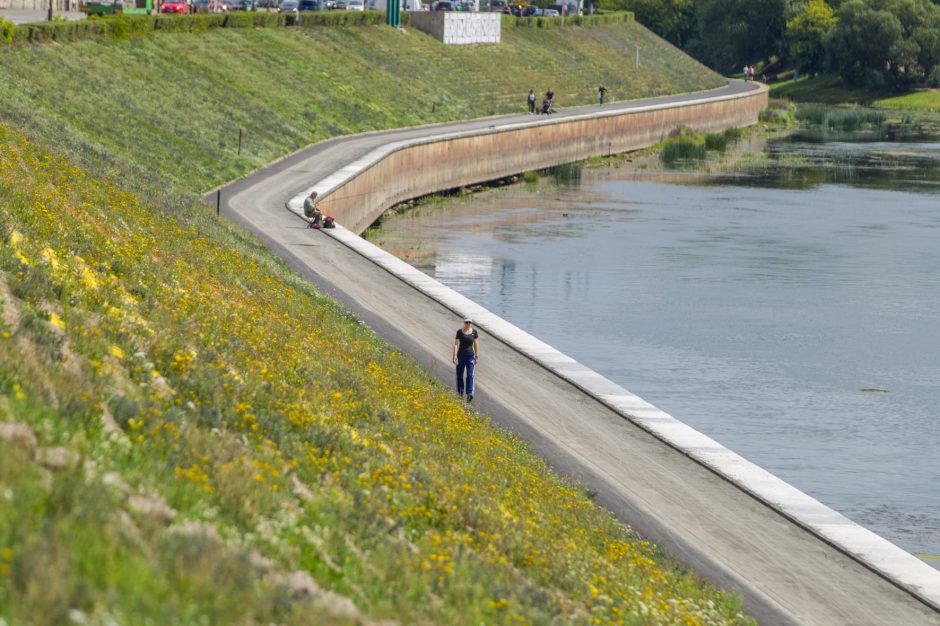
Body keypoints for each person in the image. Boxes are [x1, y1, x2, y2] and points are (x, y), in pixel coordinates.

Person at [452, 316, 478, 401]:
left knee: (470, 375)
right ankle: (460, 392)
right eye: (466, 322)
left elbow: (475, 344)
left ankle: (470, 393)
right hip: (460, 356)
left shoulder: (474, 332)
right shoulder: (459, 332)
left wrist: (476, 356)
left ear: (471, 323)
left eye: (469, 322)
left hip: (470, 356)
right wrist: (455, 355)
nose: (468, 324)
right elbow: (456, 344)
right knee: (459, 375)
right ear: (464, 322)